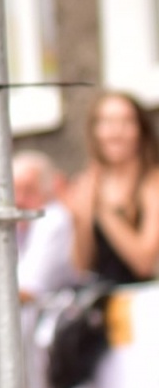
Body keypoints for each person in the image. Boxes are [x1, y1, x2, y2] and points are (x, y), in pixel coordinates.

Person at [66, 91, 159, 284]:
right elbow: (81, 266)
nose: (116, 132)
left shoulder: (152, 183)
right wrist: (79, 219)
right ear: (95, 131)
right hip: (104, 299)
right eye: (107, 122)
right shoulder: (88, 182)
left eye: (126, 122)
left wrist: (101, 208)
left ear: (140, 130)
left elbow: (145, 264)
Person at [14, 150, 77, 302]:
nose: (19, 199)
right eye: (14, 190)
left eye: (29, 190)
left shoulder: (53, 219)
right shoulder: (16, 225)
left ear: (48, 191)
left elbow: (27, 290)